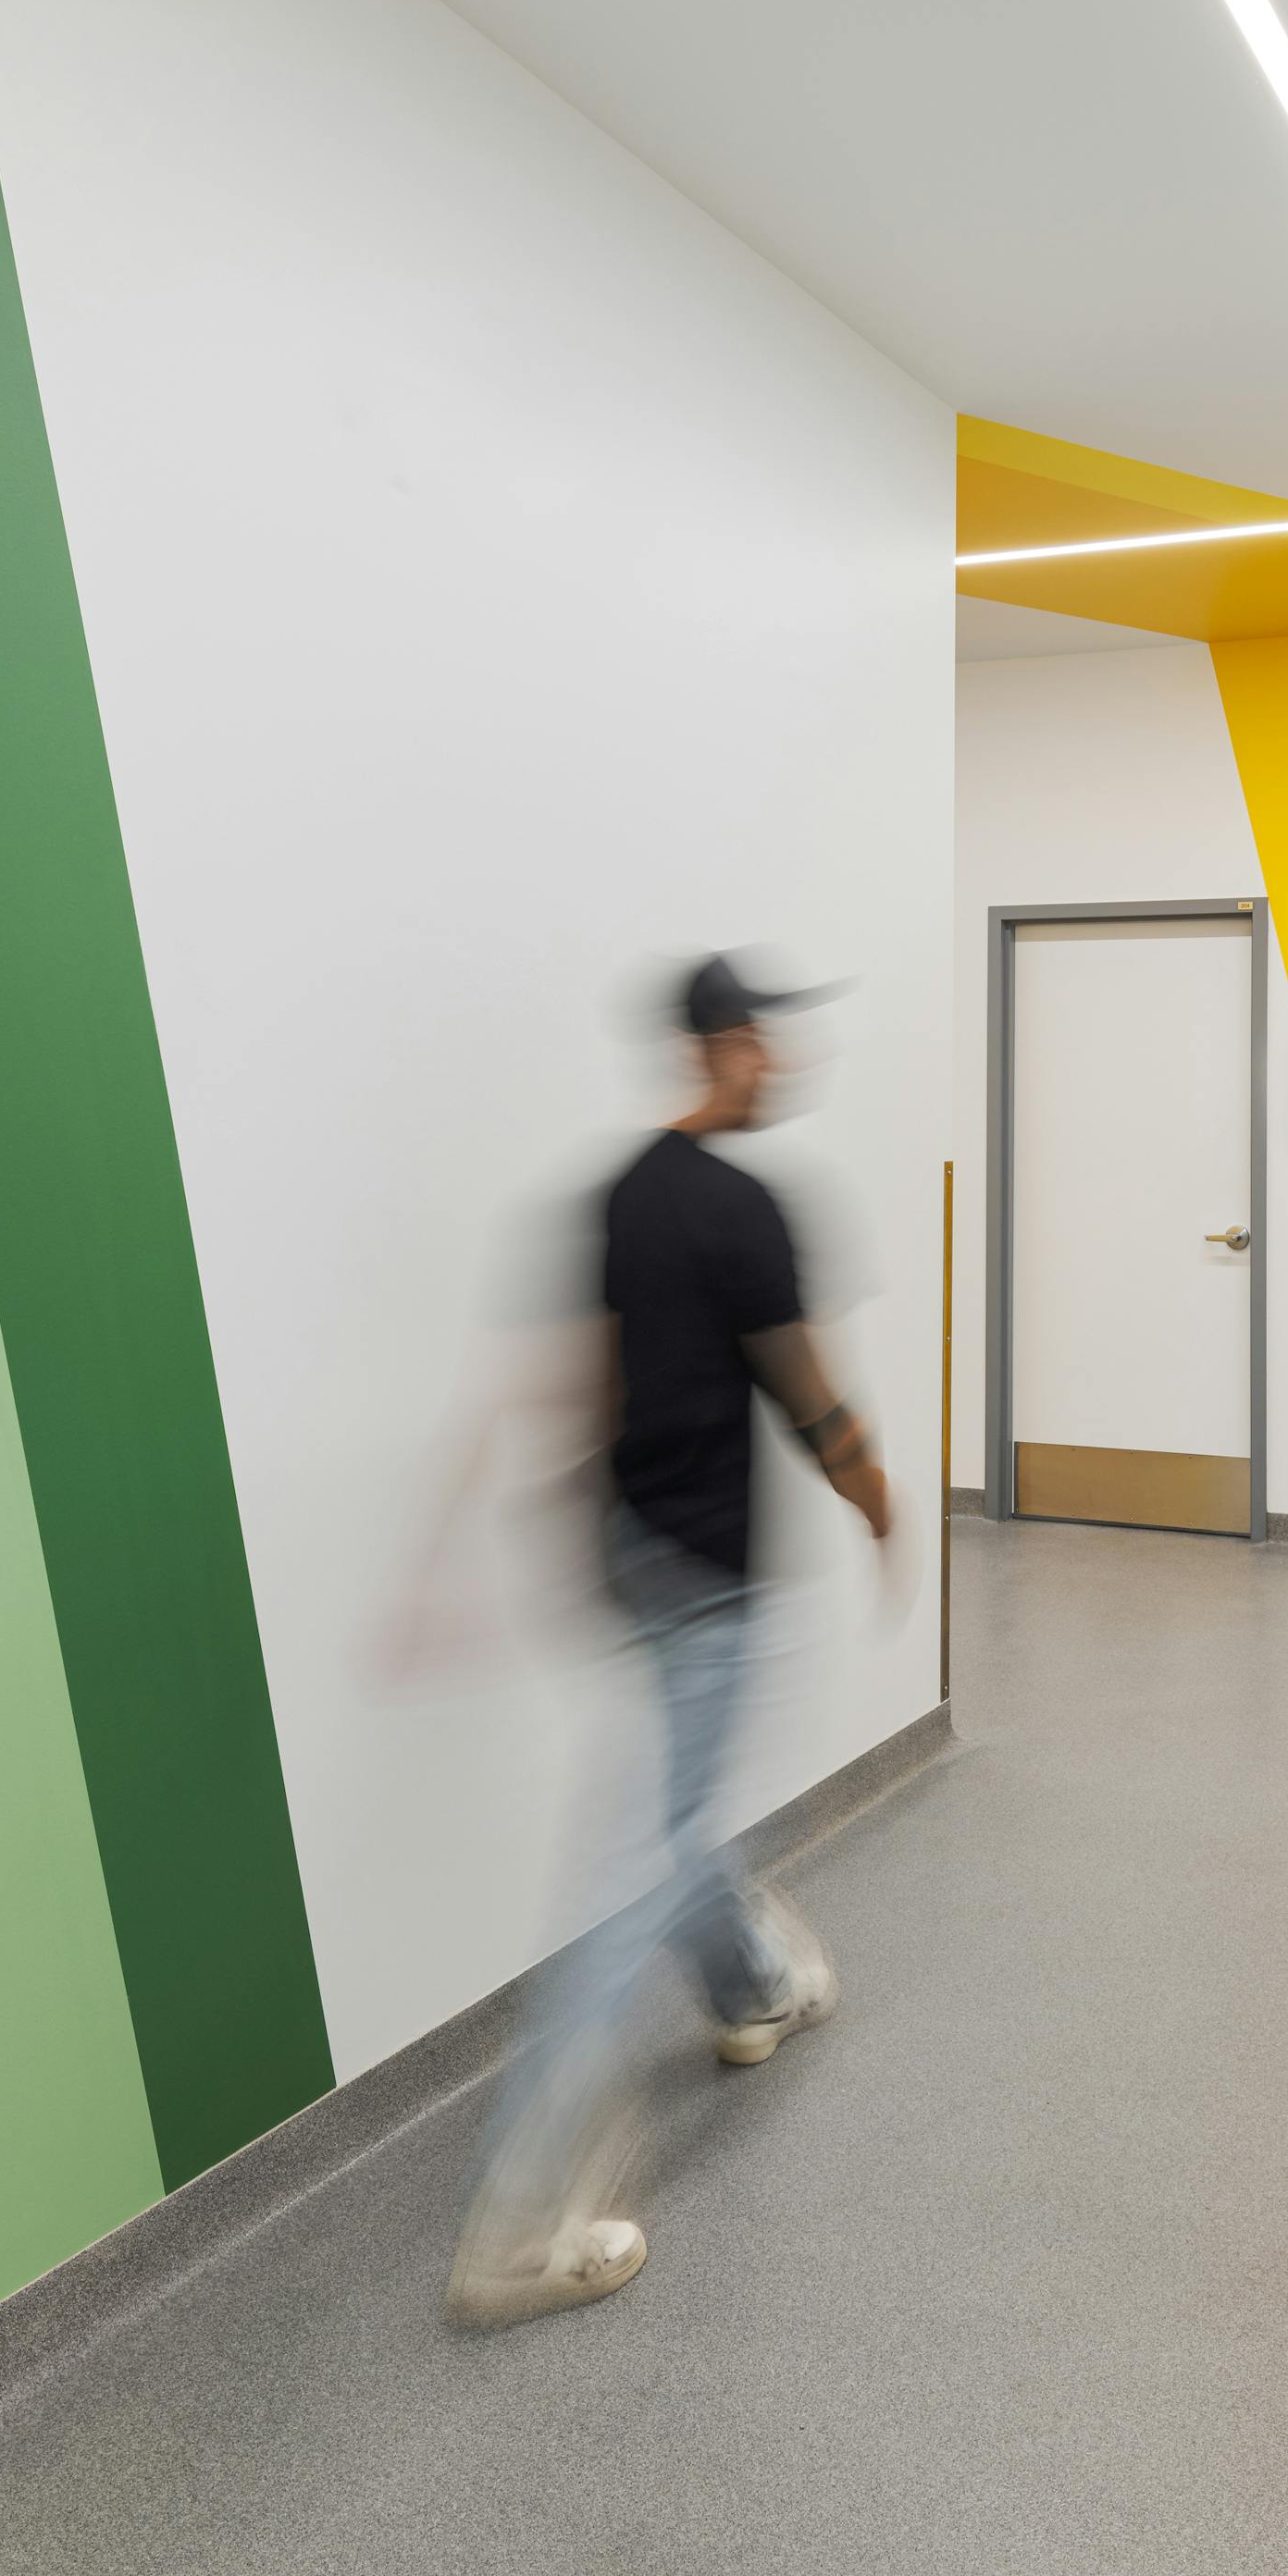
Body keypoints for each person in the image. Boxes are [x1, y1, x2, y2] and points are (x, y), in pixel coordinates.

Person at [442, 952, 891, 2333]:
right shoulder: (747, 1207)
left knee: (676, 1809)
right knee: (638, 1858)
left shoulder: (620, 1195)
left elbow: (589, 1382)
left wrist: (585, 1535)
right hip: (706, 1568)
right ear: (732, 1046)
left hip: (636, 1548)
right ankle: (517, 2221)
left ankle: (752, 1986)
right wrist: (880, 1501)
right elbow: (808, 1394)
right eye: (777, 1040)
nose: (792, 1064)